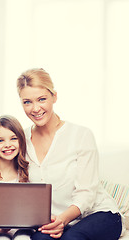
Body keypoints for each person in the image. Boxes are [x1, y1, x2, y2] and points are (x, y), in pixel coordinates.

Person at [16, 68, 124, 240]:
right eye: (27, 102)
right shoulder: (20, 140)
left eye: (42, 99)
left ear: (54, 97)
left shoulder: (81, 135)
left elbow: (87, 192)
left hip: (97, 214)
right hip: (52, 220)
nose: (35, 108)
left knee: (71, 239)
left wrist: (63, 220)